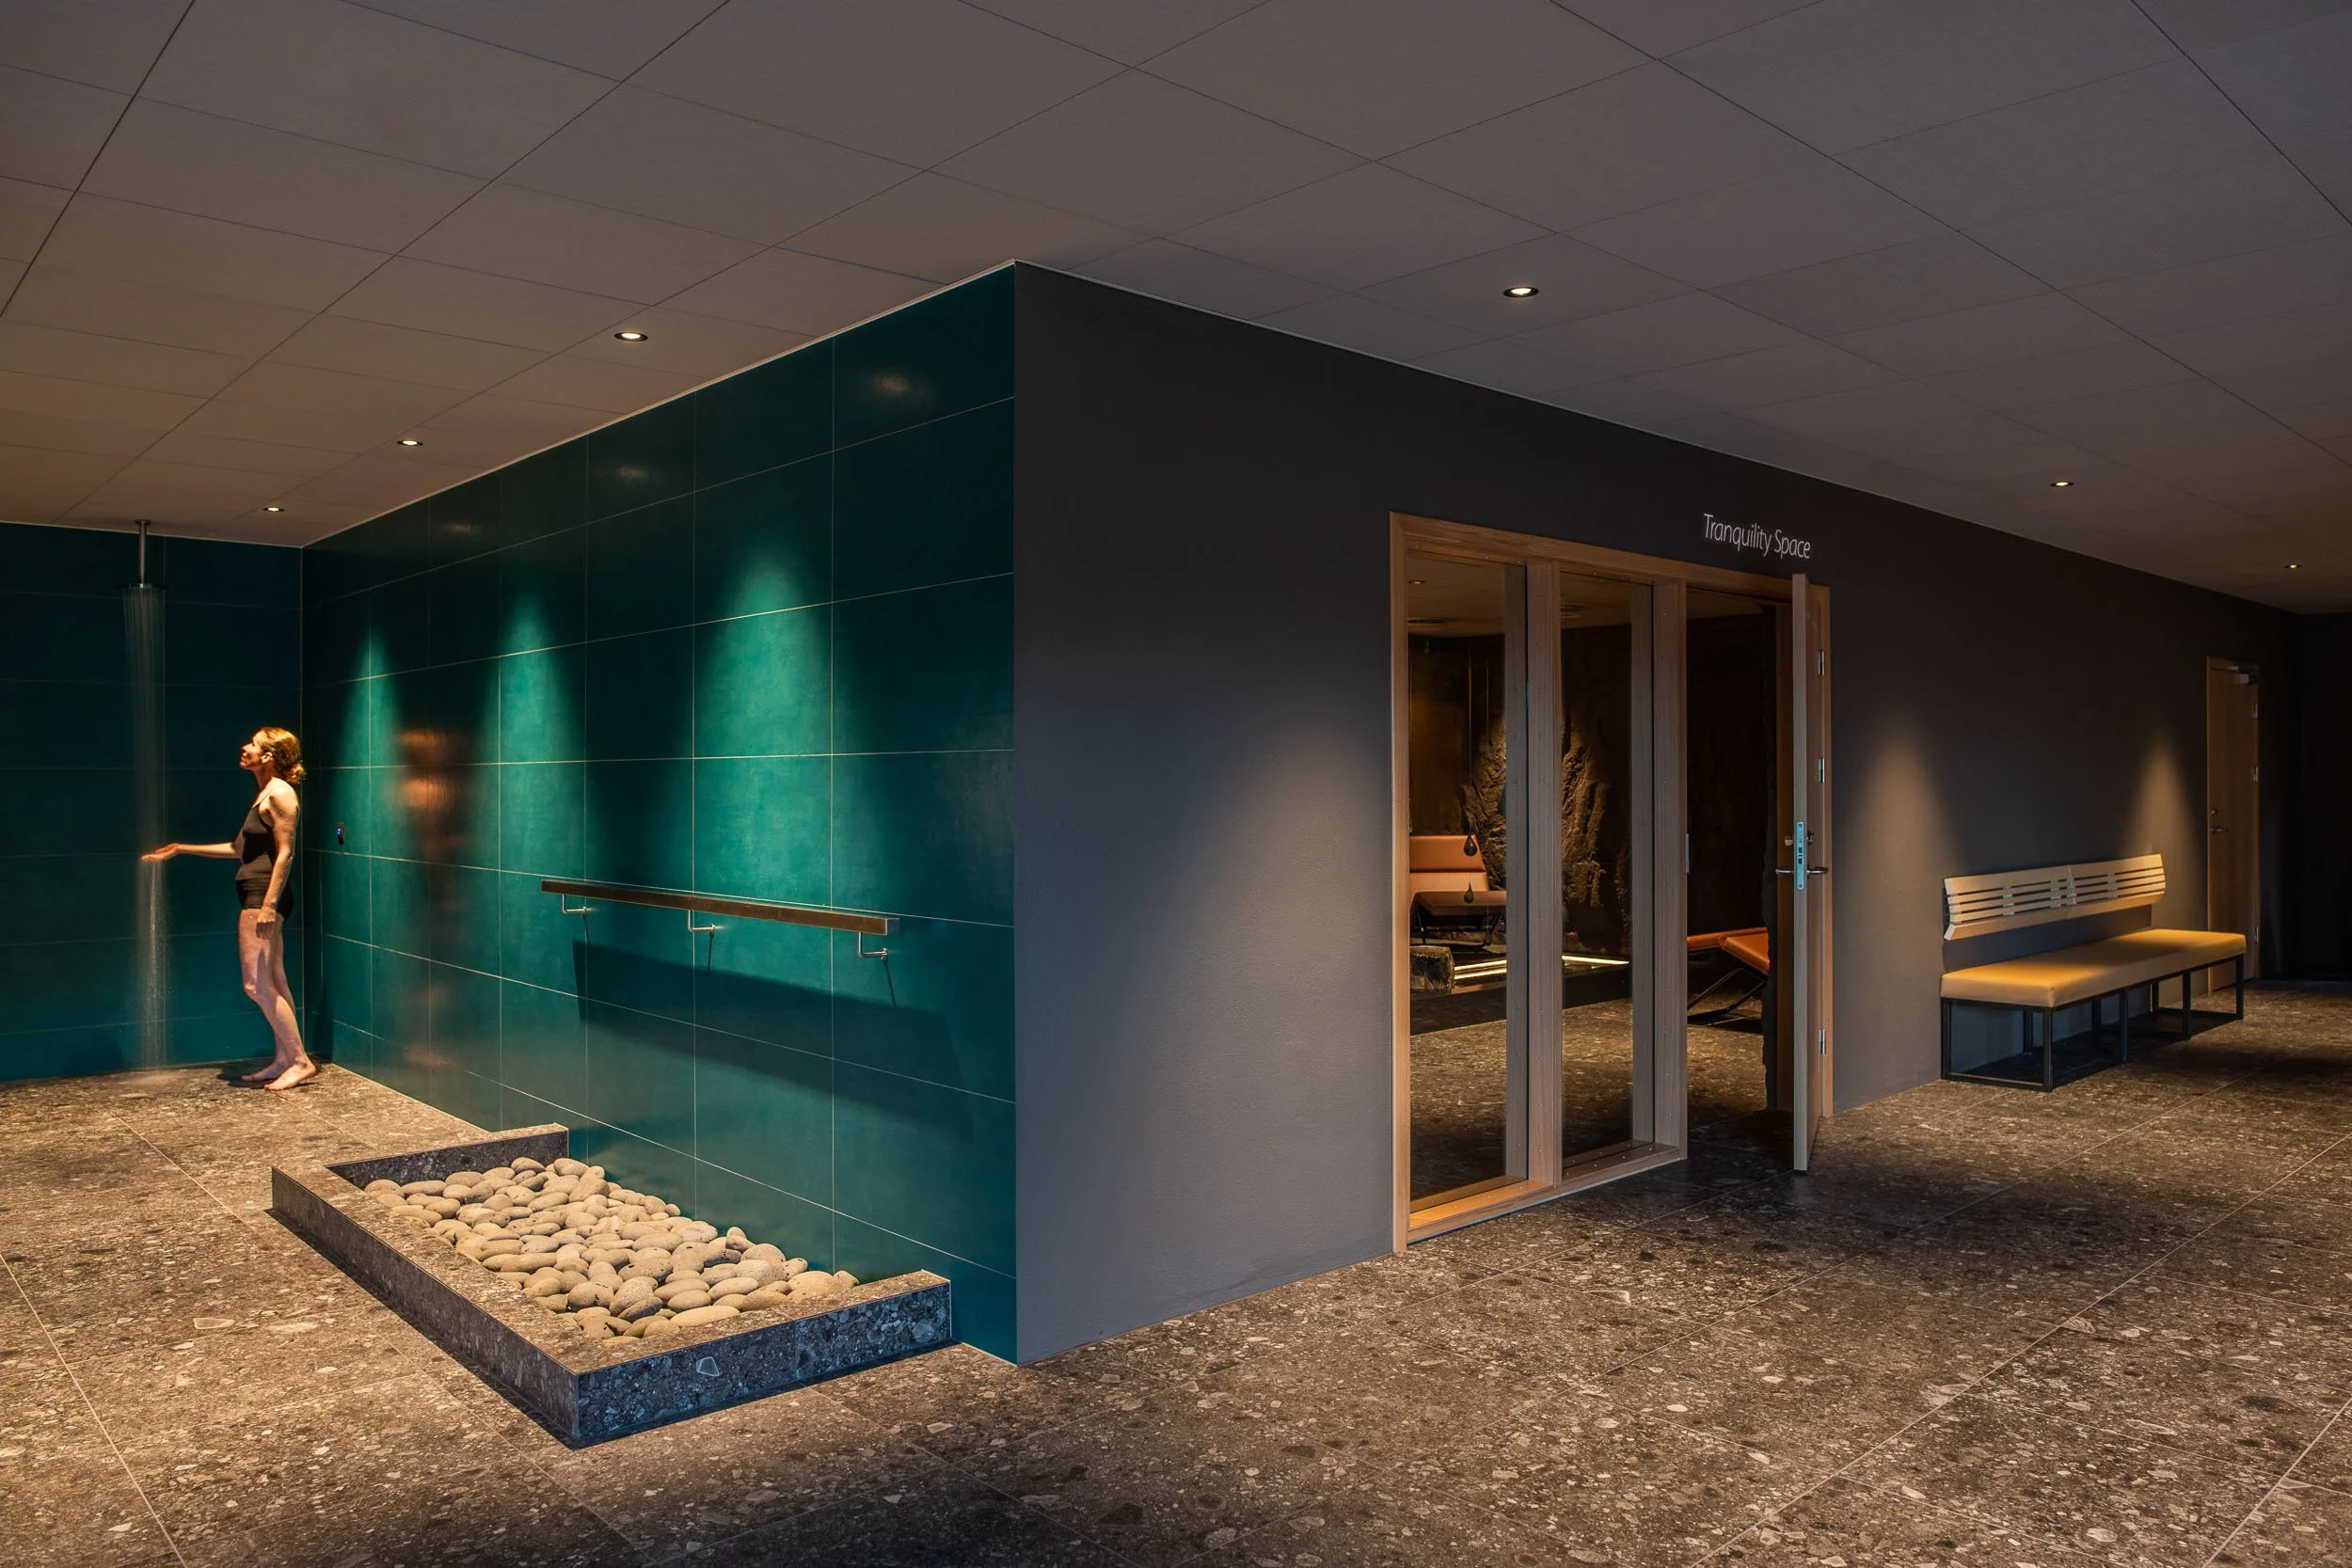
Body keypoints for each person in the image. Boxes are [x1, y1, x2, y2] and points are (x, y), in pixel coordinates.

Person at [144, 727, 316, 1090]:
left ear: (268, 756)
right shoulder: (264, 793)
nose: (244, 747)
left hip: (262, 897)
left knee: (255, 985)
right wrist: (181, 848)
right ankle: (286, 1058)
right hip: (258, 895)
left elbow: (286, 853)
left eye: (253, 744)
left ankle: (300, 1061)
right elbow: (238, 849)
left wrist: (268, 905)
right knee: (274, 980)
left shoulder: (281, 794)